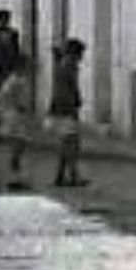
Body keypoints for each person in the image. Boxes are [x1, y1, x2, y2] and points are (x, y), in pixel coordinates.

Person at [47, 37, 87, 187]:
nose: (82, 57)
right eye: (81, 53)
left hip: (61, 107)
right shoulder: (69, 66)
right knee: (71, 143)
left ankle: (61, 176)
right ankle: (73, 176)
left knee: (66, 143)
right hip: (66, 108)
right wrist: (74, 105)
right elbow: (69, 88)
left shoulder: (63, 64)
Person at [0, 54, 33, 189]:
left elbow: (2, 98)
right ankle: (14, 178)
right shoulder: (19, 81)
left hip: (9, 117)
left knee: (15, 149)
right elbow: (21, 103)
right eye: (26, 66)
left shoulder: (9, 81)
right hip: (15, 118)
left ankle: (15, 177)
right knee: (17, 150)